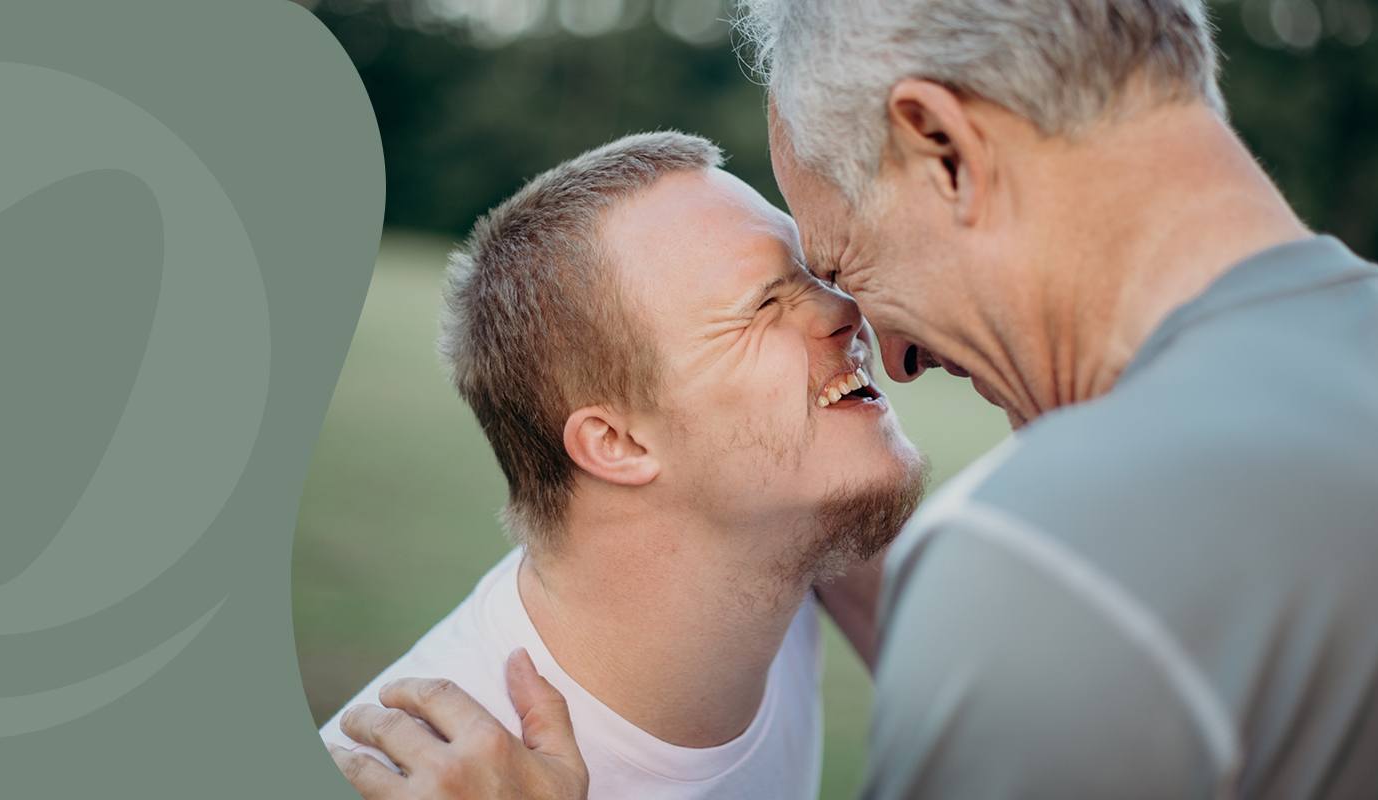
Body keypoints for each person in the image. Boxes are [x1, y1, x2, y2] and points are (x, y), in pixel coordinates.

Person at [334, 1, 1378, 798]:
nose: (888, 350)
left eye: (843, 260)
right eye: (790, 291)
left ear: (945, 148)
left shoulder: (1048, 566)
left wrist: (997, 592)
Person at [321, 131, 925, 799]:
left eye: (817, 275)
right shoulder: (413, 776)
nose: (846, 309)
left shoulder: (791, 540)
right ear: (618, 443)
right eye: (764, 305)